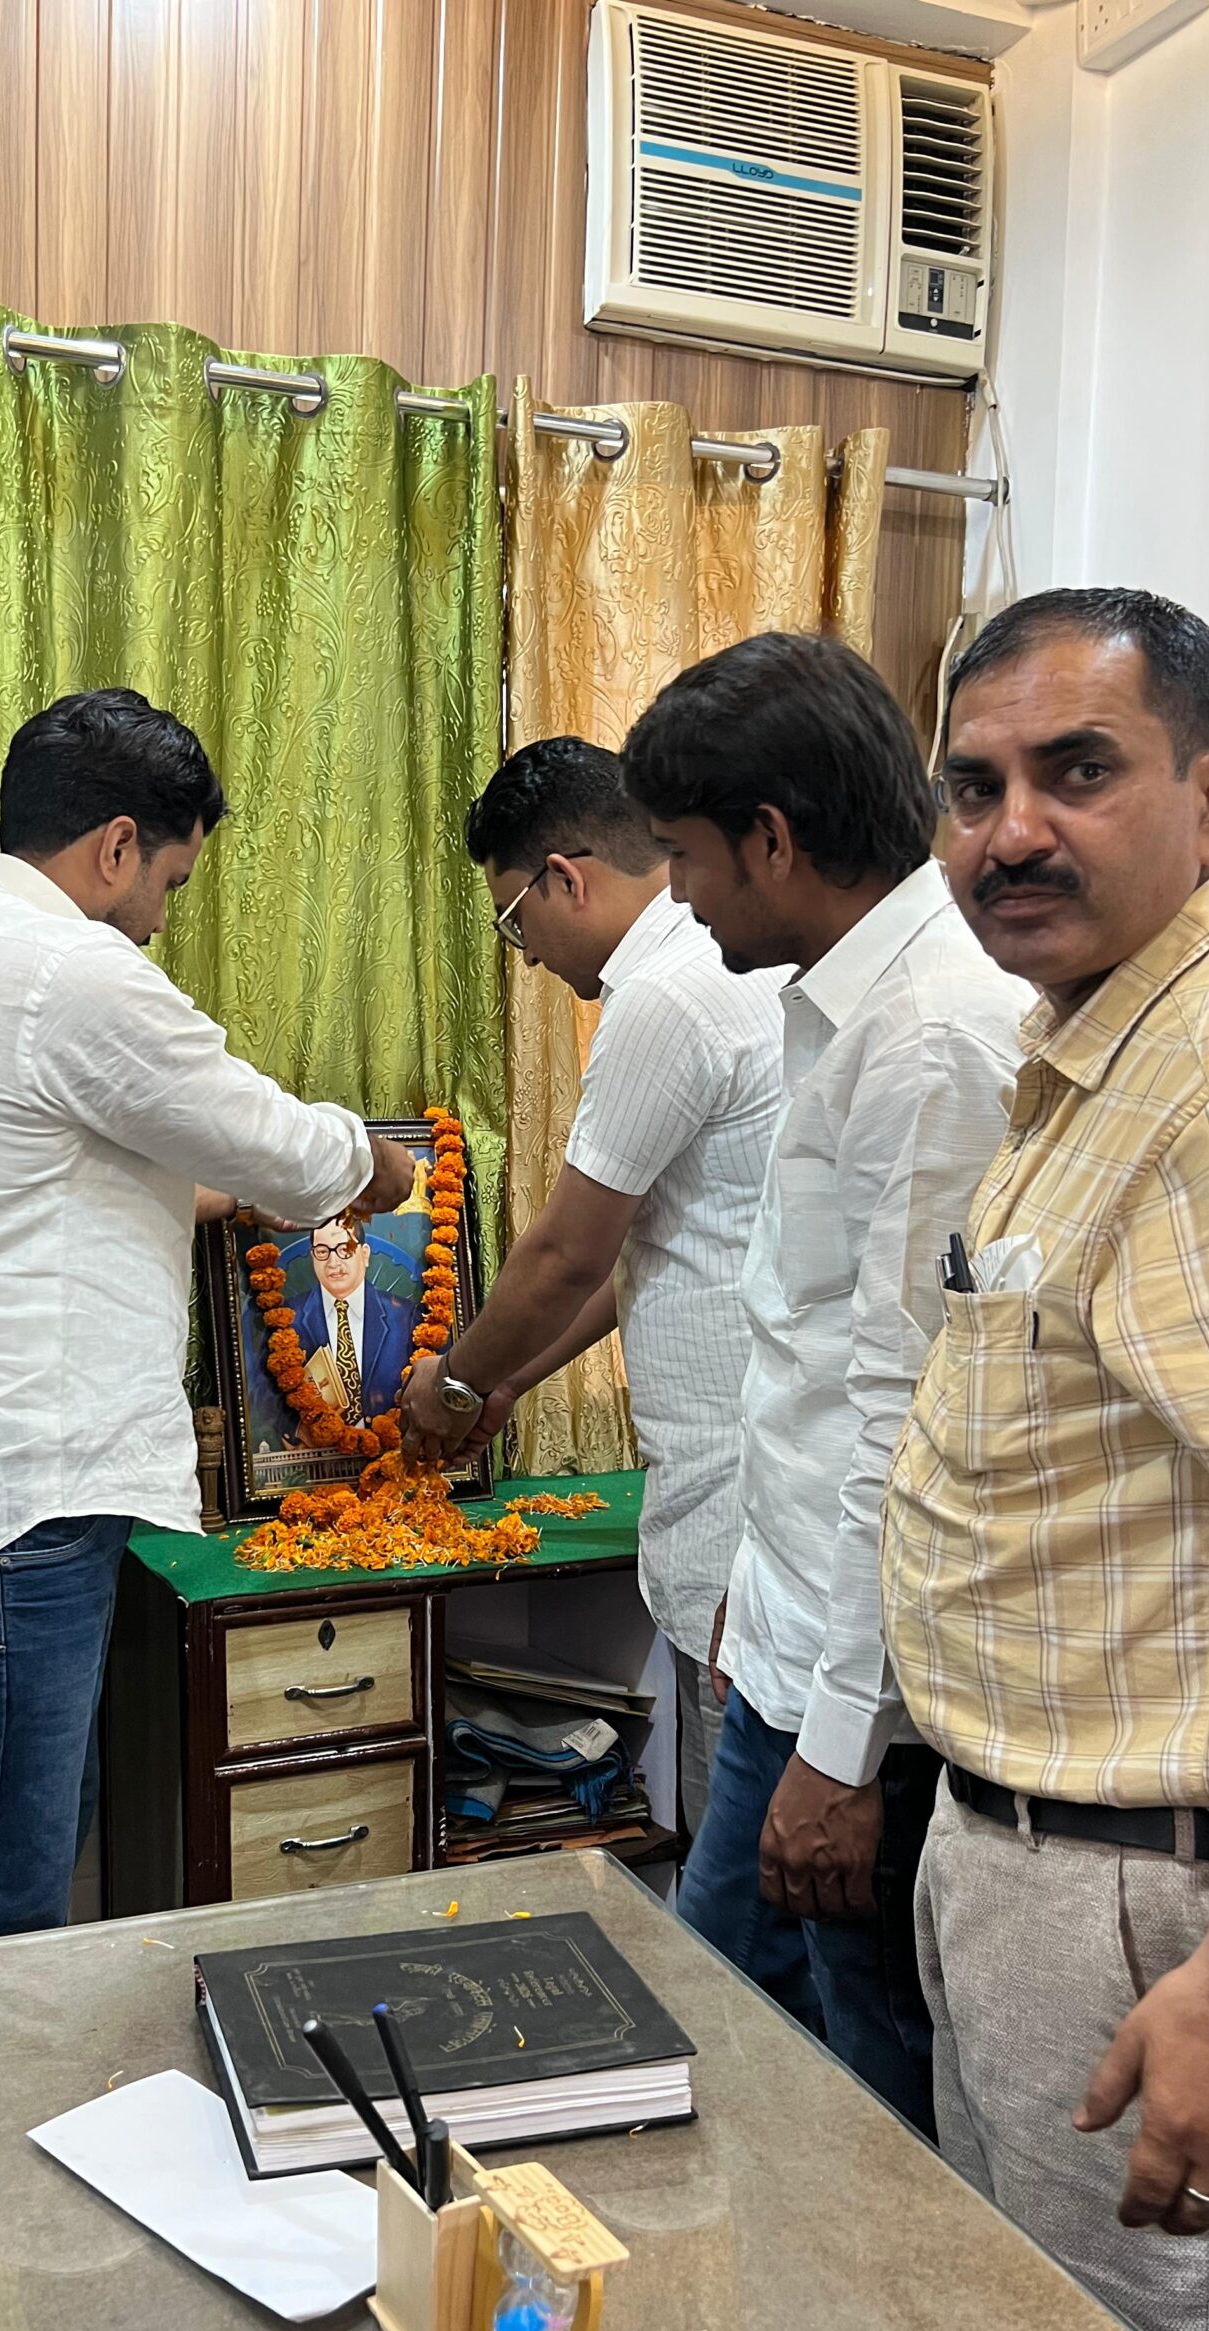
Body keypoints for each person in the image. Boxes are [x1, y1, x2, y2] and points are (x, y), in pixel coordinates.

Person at [883, 586, 1209, 2331]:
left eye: (1078, 772)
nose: (1011, 832)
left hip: (1155, 1908)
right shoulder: (1103, 1046)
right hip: (1034, 1864)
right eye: (975, 786)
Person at [0, 688, 414, 1950]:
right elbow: (266, 1134)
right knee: (2, 1893)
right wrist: (373, 1165)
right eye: (169, 880)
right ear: (116, 845)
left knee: (11, 1852)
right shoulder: (67, 970)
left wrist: (252, 1188)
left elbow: (64, 1179)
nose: (162, 917)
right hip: (23, 1498)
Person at [619, 634, 1024, 2133]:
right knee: (725, 2027)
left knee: (861, 2091)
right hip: (795, 1649)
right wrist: (756, 1601)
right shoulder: (843, 1010)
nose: (676, 895)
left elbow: (908, 1426)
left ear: (774, 841)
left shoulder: (933, 1040)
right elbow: (800, 1357)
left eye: (684, 856)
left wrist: (845, 1750)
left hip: (870, 1710)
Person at [401, 736, 782, 1837]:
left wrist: (453, 1387)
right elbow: (643, 1254)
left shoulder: (665, 996)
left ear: (565, 877)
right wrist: (511, 1379)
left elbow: (565, 1254)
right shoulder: (738, 965)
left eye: (514, 922)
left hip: (743, 1505)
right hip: (764, 1499)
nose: (524, 959)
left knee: (741, 1873)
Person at [291, 1212, 418, 1428]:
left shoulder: (405, 1317)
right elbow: (261, 1393)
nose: (333, 1262)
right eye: (322, 1252)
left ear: (364, 1254)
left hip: (393, 1440)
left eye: (344, 1250)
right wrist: (296, 1433)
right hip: (312, 1442)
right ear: (313, 1257)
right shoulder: (288, 1318)